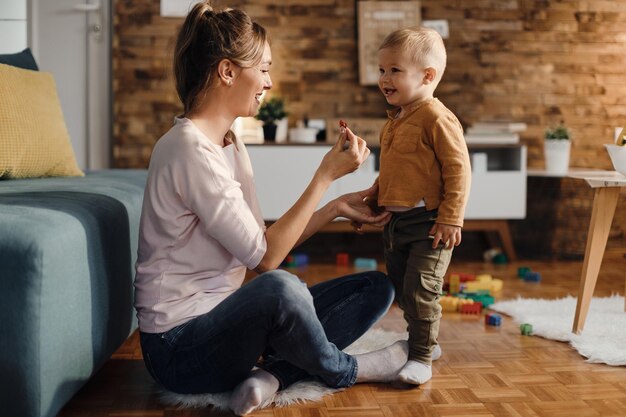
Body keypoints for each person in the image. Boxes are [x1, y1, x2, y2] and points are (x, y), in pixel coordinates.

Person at [133, 2, 410, 415]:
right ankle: (348, 369)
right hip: (178, 349)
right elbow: (267, 261)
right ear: (228, 71)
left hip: (222, 324)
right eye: (262, 68)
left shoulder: (229, 143)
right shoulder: (187, 150)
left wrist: (334, 206)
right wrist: (324, 176)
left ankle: (272, 377)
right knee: (281, 287)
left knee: (375, 288)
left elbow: (263, 242)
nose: (269, 80)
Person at [373, 27, 471, 385]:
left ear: (427, 76)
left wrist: (451, 218)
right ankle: (425, 339)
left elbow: (459, 171)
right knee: (403, 290)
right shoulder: (395, 120)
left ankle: (420, 357)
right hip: (397, 225)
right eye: (382, 70)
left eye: (394, 70)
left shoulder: (437, 117)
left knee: (422, 289)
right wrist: (374, 199)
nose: (384, 78)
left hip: (430, 222)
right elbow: (393, 172)